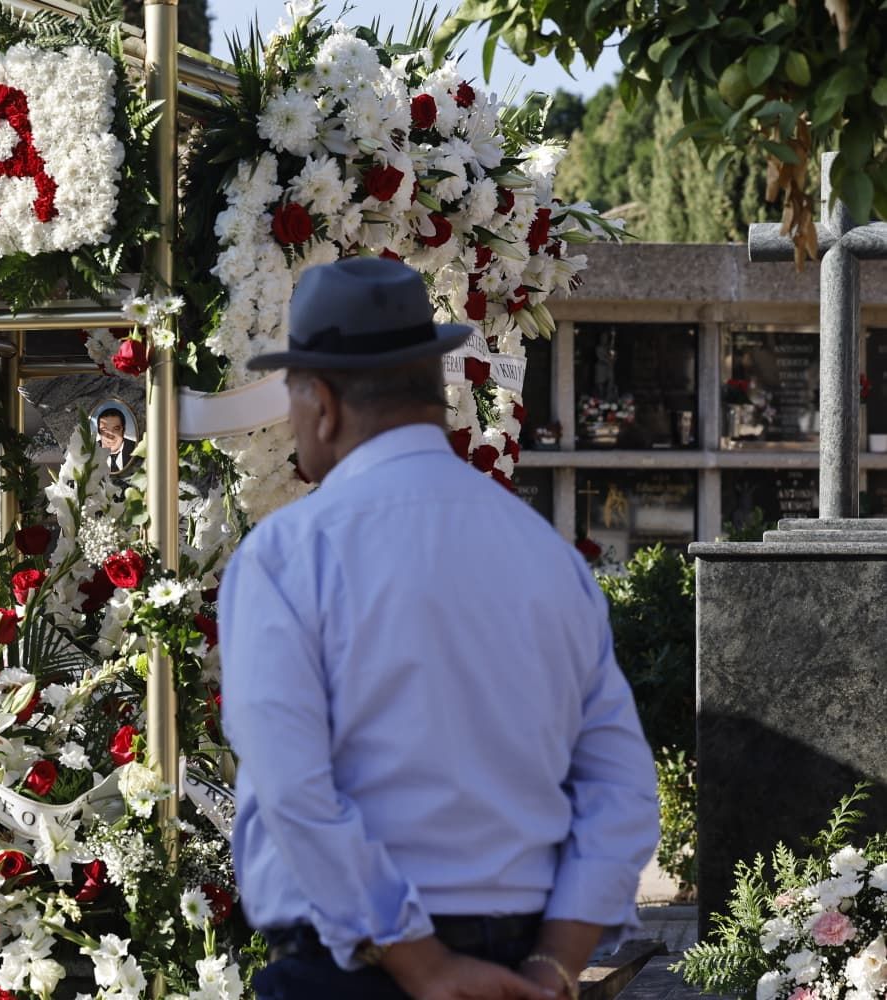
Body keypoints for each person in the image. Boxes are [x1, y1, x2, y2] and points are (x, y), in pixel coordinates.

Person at [219, 257, 659, 1000]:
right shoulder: (546, 555)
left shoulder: (289, 555)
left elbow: (296, 787)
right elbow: (620, 786)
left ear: (321, 401)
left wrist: (423, 964)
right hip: (523, 964)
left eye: (289, 398)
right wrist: (555, 964)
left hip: (356, 971)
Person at [96, 406, 137, 474]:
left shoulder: (135, 449)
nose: (110, 436)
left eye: (116, 429)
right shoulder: (90, 453)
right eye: (104, 430)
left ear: (123, 430)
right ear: (99, 432)